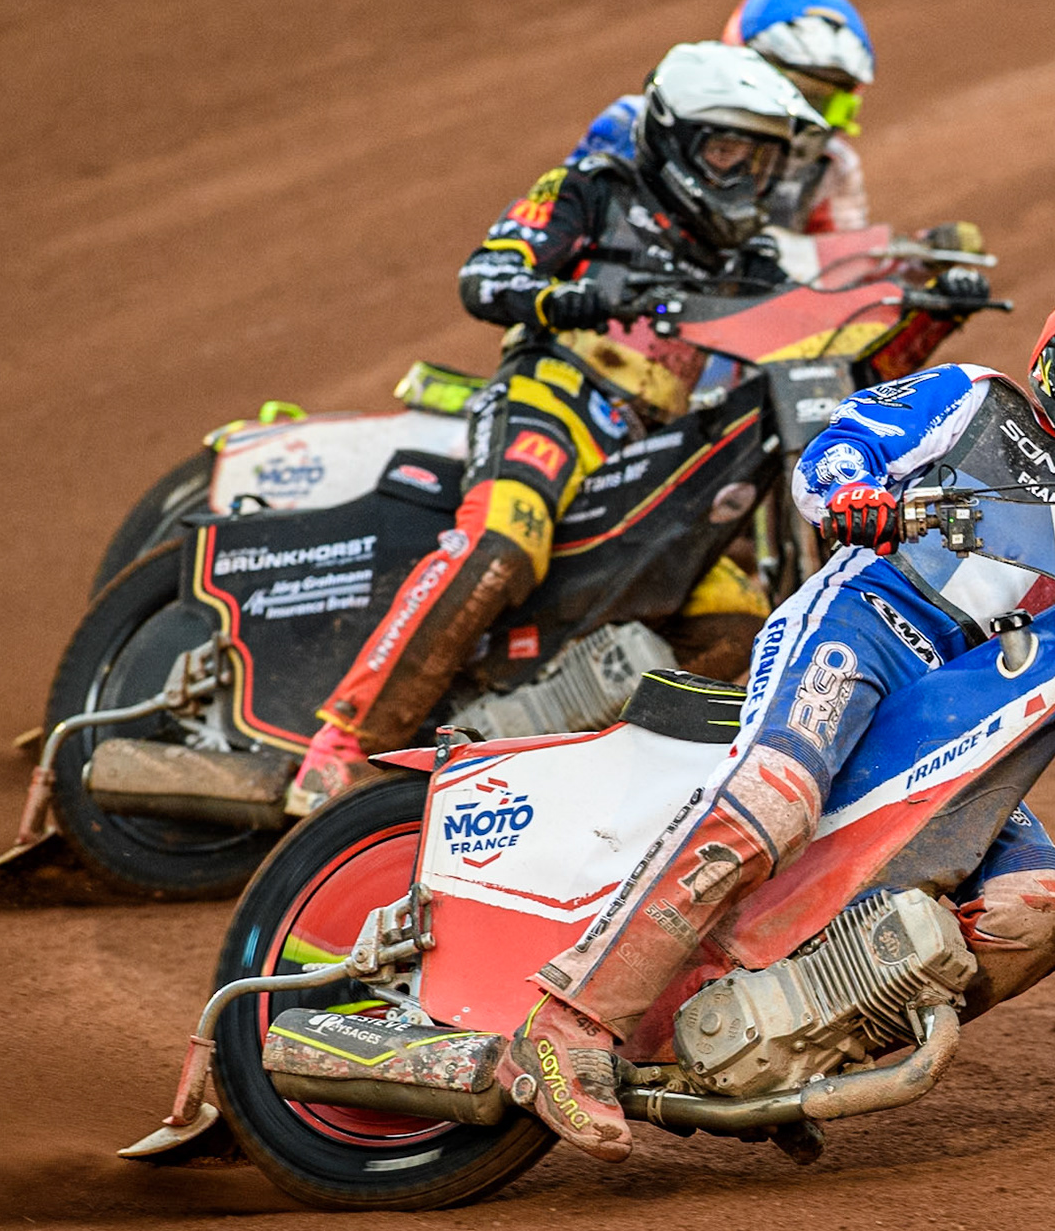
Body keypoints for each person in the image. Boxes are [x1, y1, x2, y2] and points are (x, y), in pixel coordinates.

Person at [494, 261, 1055, 1161]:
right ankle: (566, 1025)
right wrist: (856, 497)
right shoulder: (973, 399)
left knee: (1043, 914)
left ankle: (793, 1050)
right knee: (776, 799)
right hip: (861, 626)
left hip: (969, 710)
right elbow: (835, 449)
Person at [285, 42, 826, 815]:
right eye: (727, 150)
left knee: (735, 620)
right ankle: (340, 750)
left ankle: (563, 780)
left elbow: (815, 329)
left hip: (655, 447)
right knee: (504, 539)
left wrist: (920, 302)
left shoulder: (749, 256)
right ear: (673, 137)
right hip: (554, 397)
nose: (745, 176)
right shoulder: (593, 190)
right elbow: (488, 273)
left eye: (762, 160)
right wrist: (561, 298)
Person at [569, 0, 877, 233]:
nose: (797, 115)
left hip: (749, 310)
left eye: (825, 104)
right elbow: (560, 208)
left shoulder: (832, 166)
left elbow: (847, 266)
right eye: (784, 90)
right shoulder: (644, 121)